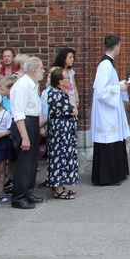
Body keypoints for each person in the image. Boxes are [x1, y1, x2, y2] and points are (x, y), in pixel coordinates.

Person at [91, 35, 130, 185]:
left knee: (114, 139)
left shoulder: (109, 64)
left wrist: (120, 85)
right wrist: (118, 87)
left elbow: (109, 85)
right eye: (119, 46)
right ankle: (107, 177)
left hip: (110, 110)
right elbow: (101, 91)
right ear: (115, 47)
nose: (119, 49)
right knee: (108, 140)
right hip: (106, 112)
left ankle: (116, 173)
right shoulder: (105, 65)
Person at [10, 57, 46, 208]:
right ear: (34, 70)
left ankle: (27, 191)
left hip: (31, 123)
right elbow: (18, 113)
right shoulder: (23, 86)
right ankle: (19, 196)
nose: (43, 71)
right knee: (24, 162)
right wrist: (24, 137)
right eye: (42, 68)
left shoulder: (33, 85)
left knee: (32, 161)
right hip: (24, 123)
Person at [47, 68, 79, 199]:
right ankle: (58, 189)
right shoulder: (58, 94)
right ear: (60, 81)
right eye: (66, 78)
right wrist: (69, 95)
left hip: (62, 129)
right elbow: (73, 110)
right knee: (60, 156)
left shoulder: (57, 92)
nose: (69, 80)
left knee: (64, 156)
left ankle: (61, 185)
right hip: (61, 130)